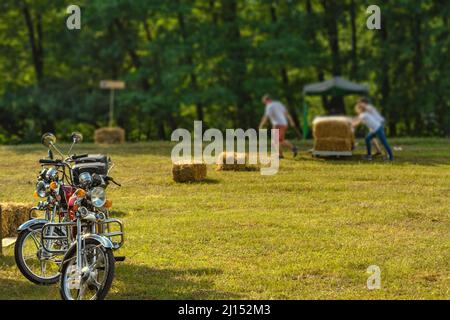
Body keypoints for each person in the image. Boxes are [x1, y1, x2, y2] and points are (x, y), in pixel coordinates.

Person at [259, 94, 299, 158]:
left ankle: (280, 155)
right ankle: (293, 148)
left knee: (275, 140)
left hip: (277, 124)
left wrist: (261, 125)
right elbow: (286, 113)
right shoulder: (278, 103)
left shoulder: (269, 106)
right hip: (284, 123)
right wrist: (291, 121)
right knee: (281, 140)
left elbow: (266, 117)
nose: (265, 104)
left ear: (266, 100)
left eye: (264, 102)